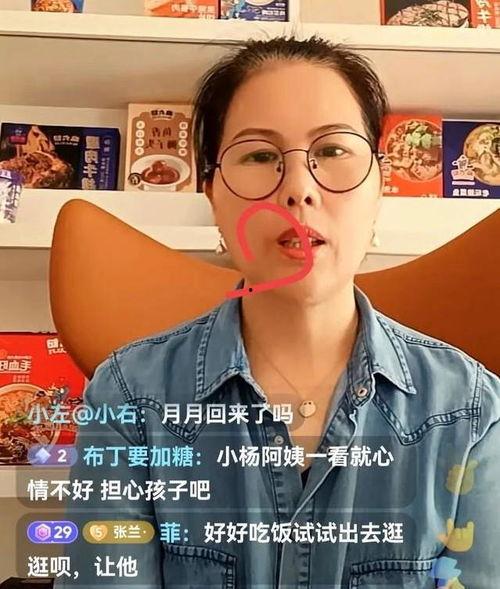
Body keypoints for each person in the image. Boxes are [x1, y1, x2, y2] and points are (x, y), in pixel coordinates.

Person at [55, 36, 500, 589]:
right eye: (260, 156)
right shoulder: (127, 397)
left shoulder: (472, 410)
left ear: (379, 187)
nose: (299, 190)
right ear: (213, 195)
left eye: (332, 151)